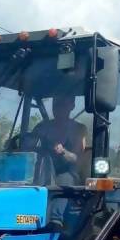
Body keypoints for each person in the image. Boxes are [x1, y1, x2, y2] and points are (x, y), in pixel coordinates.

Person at [35, 93, 88, 232]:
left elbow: (78, 159)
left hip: (69, 173)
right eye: (55, 104)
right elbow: (30, 144)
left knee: (64, 179)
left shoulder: (79, 129)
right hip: (42, 171)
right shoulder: (42, 127)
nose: (57, 108)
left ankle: (55, 222)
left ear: (72, 106)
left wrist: (63, 151)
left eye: (61, 104)